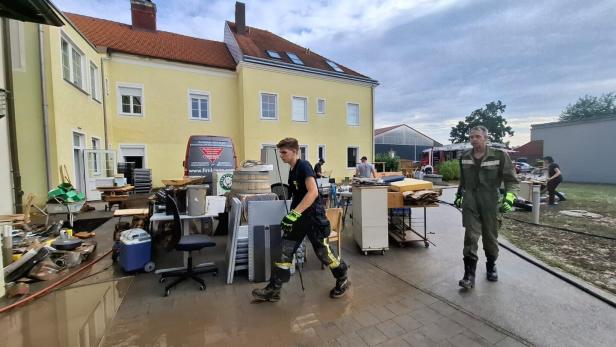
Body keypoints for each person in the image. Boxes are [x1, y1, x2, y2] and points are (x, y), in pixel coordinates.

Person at [252, 138, 349, 302]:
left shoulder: (304, 166)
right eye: (280, 152)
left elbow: (313, 192)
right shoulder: (292, 169)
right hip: (298, 220)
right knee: (285, 251)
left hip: (313, 219)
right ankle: (274, 289)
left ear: (295, 151)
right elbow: (298, 194)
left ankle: (343, 278)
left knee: (323, 253)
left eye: (284, 152)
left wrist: (294, 214)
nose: (281, 156)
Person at [454, 126, 519, 289]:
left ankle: (491, 265)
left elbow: (511, 181)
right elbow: (463, 181)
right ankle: (469, 276)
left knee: (490, 239)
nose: (474, 139)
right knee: (470, 237)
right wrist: (459, 195)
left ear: (485, 138)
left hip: (491, 203)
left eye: (477, 136)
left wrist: (510, 198)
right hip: (471, 203)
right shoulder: (465, 156)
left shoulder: (499, 156)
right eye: (471, 137)